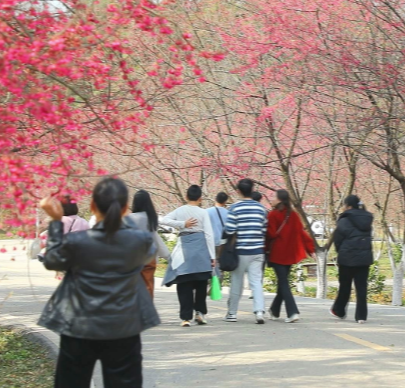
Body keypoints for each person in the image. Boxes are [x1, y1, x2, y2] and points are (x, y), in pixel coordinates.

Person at [38, 177, 159, 388]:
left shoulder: (76, 242)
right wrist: (123, 216)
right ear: (125, 208)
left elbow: (51, 260)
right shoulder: (141, 242)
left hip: (78, 325)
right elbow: (144, 249)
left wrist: (56, 222)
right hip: (124, 327)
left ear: (93, 206)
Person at [161, 185, 215, 327]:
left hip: (184, 250)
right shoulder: (203, 213)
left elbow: (163, 220)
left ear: (186, 197)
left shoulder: (180, 210)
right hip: (201, 250)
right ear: (200, 198)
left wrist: (182, 224)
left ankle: (185, 318)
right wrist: (212, 257)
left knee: (184, 284)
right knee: (201, 284)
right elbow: (209, 235)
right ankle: (200, 313)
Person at [267, 189, 315, 323]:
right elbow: (302, 233)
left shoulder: (273, 215)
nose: (272, 199)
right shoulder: (293, 215)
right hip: (290, 254)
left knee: (283, 283)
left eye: (274, 197)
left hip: (277, 254)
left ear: (279, 200)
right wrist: (310, 250)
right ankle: (274, 310)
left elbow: (270, 234)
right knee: (283, 283)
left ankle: (292, 312)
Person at [224, 178, 267, 324]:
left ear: (238, 191)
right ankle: (259, 312)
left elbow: (229, 229)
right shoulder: (261, 209)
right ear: (252, 190)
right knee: (256, 282)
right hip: (258, 251)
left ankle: (232, 313)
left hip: (241, 251)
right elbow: (264, 230)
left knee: (237, 282)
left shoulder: (234, 208)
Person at [330, 195, 373, 324]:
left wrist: (341, 251)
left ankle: (339, 310)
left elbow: (337, 239)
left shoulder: (344, 219)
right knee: (361, 287)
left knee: (345, 286)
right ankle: (361, 316)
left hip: (347, 258)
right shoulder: (367, 219)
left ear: (348, 206)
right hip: (364, 258)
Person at [128, 189, 170, 298]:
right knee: (148, 287)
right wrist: (168, 256)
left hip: (132, 258)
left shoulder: (128, 219)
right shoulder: (151, 218)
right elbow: (156, 239)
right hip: (148, 258)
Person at [206, 192, 229, 269]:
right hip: (222, 244)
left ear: (215, 199)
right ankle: (218, 280)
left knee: (209, 264)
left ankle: (210, 279)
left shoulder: (207, 212)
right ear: (225, 201)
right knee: (219, 265)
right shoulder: (228, 213)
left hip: (209, 242)